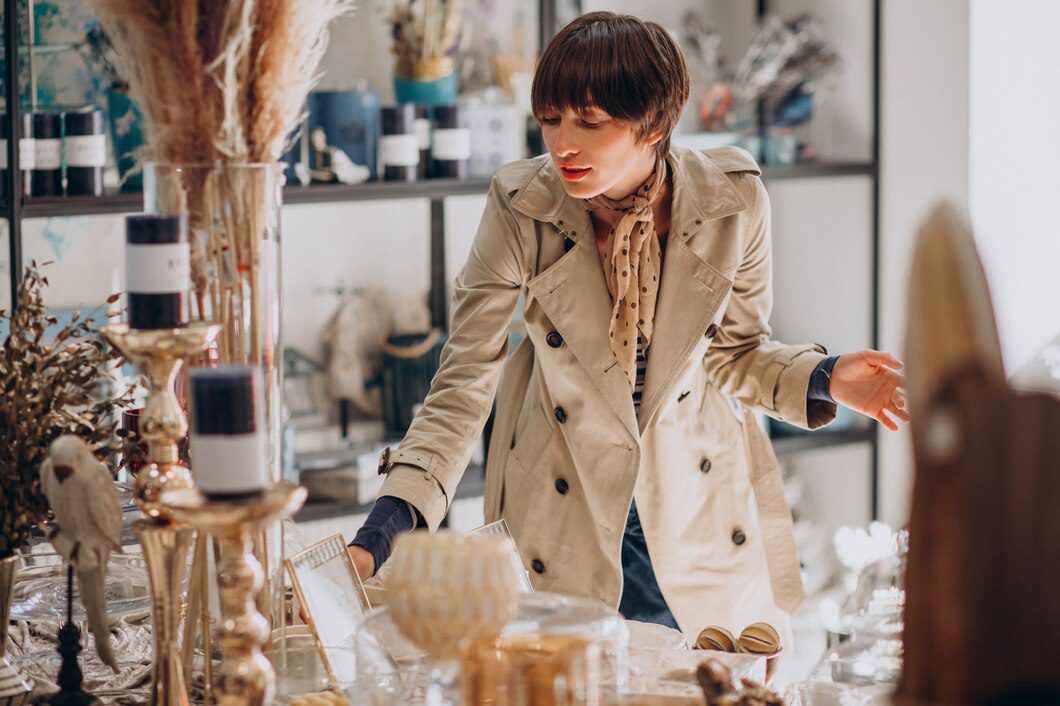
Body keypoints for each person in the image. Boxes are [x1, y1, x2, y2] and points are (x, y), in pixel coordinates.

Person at [348, 11, 908, 642]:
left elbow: (736, 354)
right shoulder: (521, 205)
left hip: (692, 520)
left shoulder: (734, 202)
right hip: (565, 518)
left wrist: (828, 378)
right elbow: (464, 384)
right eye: (551, 118)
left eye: (591, 122)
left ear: (656, 126)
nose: (563, 143)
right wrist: (387, 527)